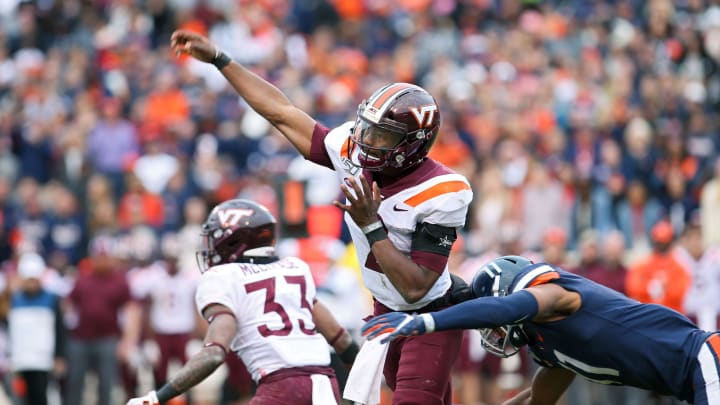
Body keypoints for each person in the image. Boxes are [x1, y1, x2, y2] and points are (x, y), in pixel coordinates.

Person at [170, 30, 473, 405]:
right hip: (384, 307)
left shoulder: (444, 190)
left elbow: (417, 287)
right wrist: (220, 58)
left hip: (431, 311)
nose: (365, 140)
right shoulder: (353, 152)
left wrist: (371, 226)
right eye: (366, 127)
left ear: (411, 145)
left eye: (381, 136)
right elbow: (281, 112)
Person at [362, 255, 720, 405]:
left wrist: (424, 323)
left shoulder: (557, 296)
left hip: (706, 358)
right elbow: (538, 400)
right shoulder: (549, 348)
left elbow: (505, 308)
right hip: (691, 381)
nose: (497, 333)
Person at [126, 198, 357, 405]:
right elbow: (343, 341)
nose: (211, 248)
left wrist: (157, 397)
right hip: (326, 385)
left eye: (215, 239)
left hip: (281, 387)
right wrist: (360, 391)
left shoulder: (223, 277)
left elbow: (214, 354)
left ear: (233, 242)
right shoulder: (295, 268)